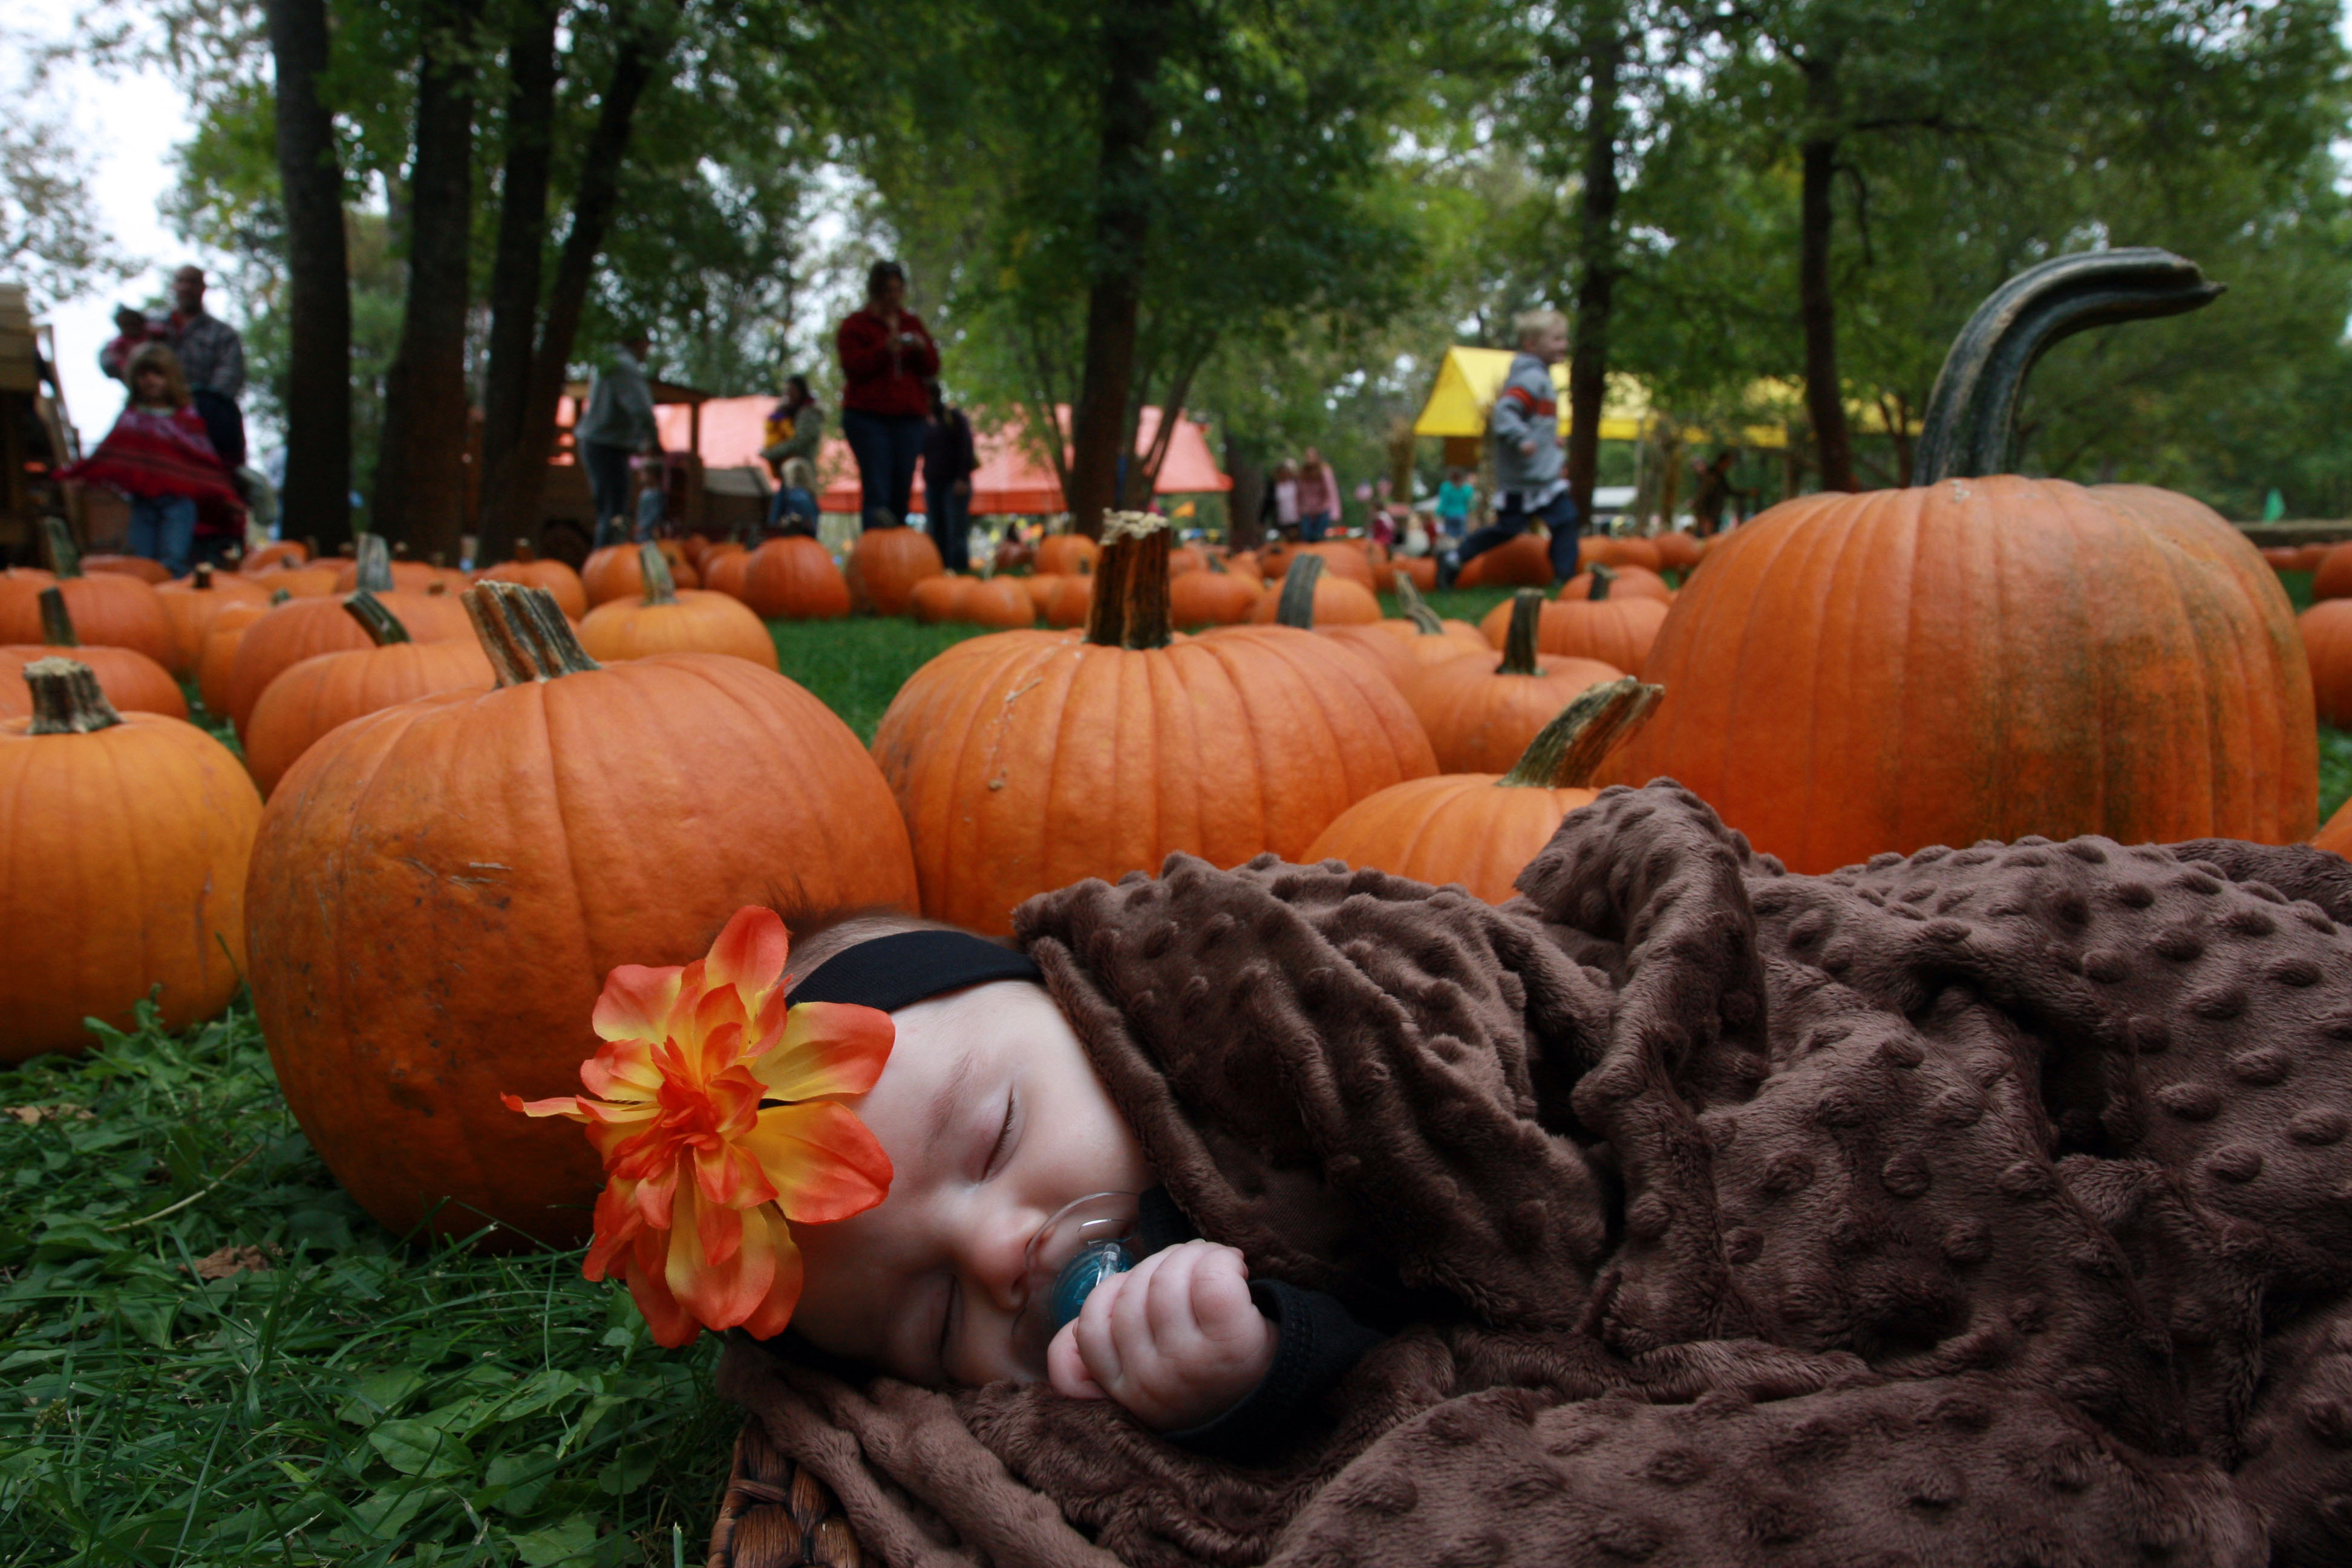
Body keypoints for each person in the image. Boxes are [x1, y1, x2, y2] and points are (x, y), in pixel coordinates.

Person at [60, 342, 243, 578]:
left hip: (179, 505)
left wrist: (225, 495)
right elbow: (111, 453)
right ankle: (145, 604)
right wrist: (85, 477)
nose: (150, 380)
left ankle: (170, 604)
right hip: (143, 503)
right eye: (143, 374)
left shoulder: (185, 420)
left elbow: (203, 464)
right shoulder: (132, 419)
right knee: (140, 561)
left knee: (173, 560)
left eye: (157, 374)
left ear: (171, 378)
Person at [1439, 308, 1578, 588]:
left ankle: (1564, 576)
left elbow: (1537, 421)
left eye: (1564, 339)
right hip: (1524, 478)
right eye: (1556, 339)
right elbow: (1505, 413)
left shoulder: (1541, 377)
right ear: (1531, 344)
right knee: (1509, 529)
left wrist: (1549, 440)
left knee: (1565, 519)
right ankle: (1454, 557)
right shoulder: (1529, 378)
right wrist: (1521, 438)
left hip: (1541, 476)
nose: (1564, 345)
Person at [836, 260, 939, 532]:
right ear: (876, 292)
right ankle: (876, 553)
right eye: (888, 291)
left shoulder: (911, 323)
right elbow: (853, 367)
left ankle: (899, 550)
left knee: (901, 487)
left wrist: (919, 348)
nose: (894, 297)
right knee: (877, 486)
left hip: (908, 418)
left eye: (898, 290)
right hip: (868, 418)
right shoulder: (856, 325)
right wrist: (884, 350)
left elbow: (932, 367)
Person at [576, 328, 657, 547]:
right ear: (639, 343)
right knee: (614, 512)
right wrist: (654, 439)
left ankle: (605, 562)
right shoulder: (624, 366)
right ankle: (607, 562)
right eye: (647, 346)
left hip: (598, 443)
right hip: (606, 444)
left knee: (608, 510)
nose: (647, 352)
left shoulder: (608, 362)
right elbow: (641, 409)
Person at [164, 266, 247, 472]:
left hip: (207, 424)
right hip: (159, 420)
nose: (186, 288)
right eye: (181, 281)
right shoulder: (154, 327)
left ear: (203, 288)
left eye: (192, 282)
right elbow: (119, 357)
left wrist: (199, 405)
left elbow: (231, 374)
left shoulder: (222, 333)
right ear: (174, 286)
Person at [923, 382, 979, 573]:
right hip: (933, 484)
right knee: (936, 530)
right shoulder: (924, 422)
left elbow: (966, 447)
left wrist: (963, 478)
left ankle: (960, 571)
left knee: (955, 531)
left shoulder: (952, 418)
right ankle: (941, 571)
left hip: (954, 484)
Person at [760, 376, 825, 535]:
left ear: (801, 391)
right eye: (786, 390)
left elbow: (800, 442)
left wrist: (772, 453)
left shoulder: (809, 414)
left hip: (800, 473)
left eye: (792, 390)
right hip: (785, 475)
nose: (788, 393)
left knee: (801, 508)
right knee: (776, 521)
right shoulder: (786, 413)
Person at [1689, 450, 1751, 537]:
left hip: (1715, 515)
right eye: (1729, 462)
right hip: (1708, 517)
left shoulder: (1720, 476)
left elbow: (1728, 491)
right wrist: (1704, 518)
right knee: (1705, 540)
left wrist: (1747, 493)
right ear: (1723, 461)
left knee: (1713, 539)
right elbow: (1702, 498)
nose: (1730, 465)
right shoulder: (1711, 477)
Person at [98, 305, 158, 384]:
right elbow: (112, 367)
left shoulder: (155, 334)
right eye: (125, 324)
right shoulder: (116, 346)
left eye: (132, 322)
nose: (130, 326)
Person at [1293, 446, 1339, 542]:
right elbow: (1298, 493)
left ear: (1317, 457)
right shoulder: (1302, 473)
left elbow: (1331, 492)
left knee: (1318, 537)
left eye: (1311, 456)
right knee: (1307, 537)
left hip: (1322, 510)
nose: (1309, 458)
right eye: (1307, 456)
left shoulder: (1324, 471)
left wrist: (1335, 512)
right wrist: (1296, 511)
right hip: (1306, 511)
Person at [1433, 466, 1476, 540]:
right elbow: (1472, 505)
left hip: (1449, 515)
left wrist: (1438, 514)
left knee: (1450, 538)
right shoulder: (1468, 488)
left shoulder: (1445, 487)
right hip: (1462, 515)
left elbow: (1443, 503)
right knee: (1462, 537)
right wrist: (1472, 515)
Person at [1267, 459, 1299, 541]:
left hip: (1296, 519)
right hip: (1281, 520)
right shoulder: (1274, 486)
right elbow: (1268, 502)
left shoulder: (1295, 483)